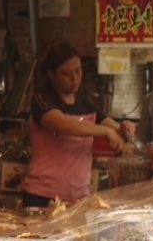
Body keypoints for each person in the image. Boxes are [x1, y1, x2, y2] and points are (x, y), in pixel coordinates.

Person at [22, 41, 135, 207]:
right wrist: (105, 132)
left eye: (78, 71)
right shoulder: (42, 100)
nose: (74, 78)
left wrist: (124, 128)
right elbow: (63, 124)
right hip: (42, 195)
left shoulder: (85, 103)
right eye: (66, 73)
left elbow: (113, 126)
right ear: (51, 74)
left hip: (78, 197)